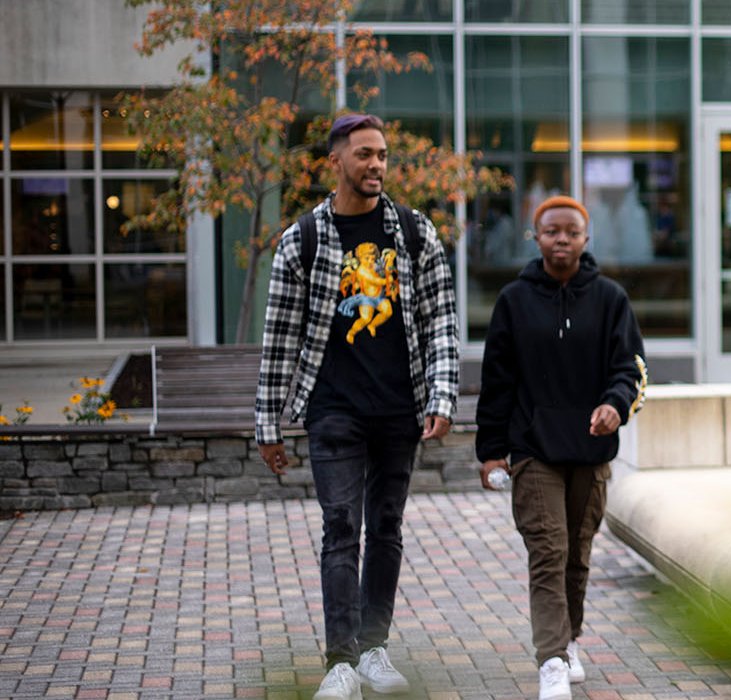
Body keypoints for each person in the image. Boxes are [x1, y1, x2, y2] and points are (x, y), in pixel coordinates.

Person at [253, 113, 460, 700]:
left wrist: (442, 396)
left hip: (399, 408)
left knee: (387, 528)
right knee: (341, 528)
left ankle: (373, 650)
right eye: (365, 154)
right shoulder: (305, 238)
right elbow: (280, 336)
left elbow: (442, 322)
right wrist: (268, 422)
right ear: (336, 161)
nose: (376, 165)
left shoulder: (415, 234)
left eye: (383, 155)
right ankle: (339, 661)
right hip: (333, 409)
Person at [477, 195, 648, 700]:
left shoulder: (611, 298)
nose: (561, 239)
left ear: (585, 239)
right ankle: (551, 659)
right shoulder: (514, 300)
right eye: (551, 231)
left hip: (591, 449)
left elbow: (630, 368)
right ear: (537, 238)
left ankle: (570, 638)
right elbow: (497, 381)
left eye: (571, 231)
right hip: (534, 448)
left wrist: (615, 404)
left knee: (577, 552)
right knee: (548, 551)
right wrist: (491, 451)